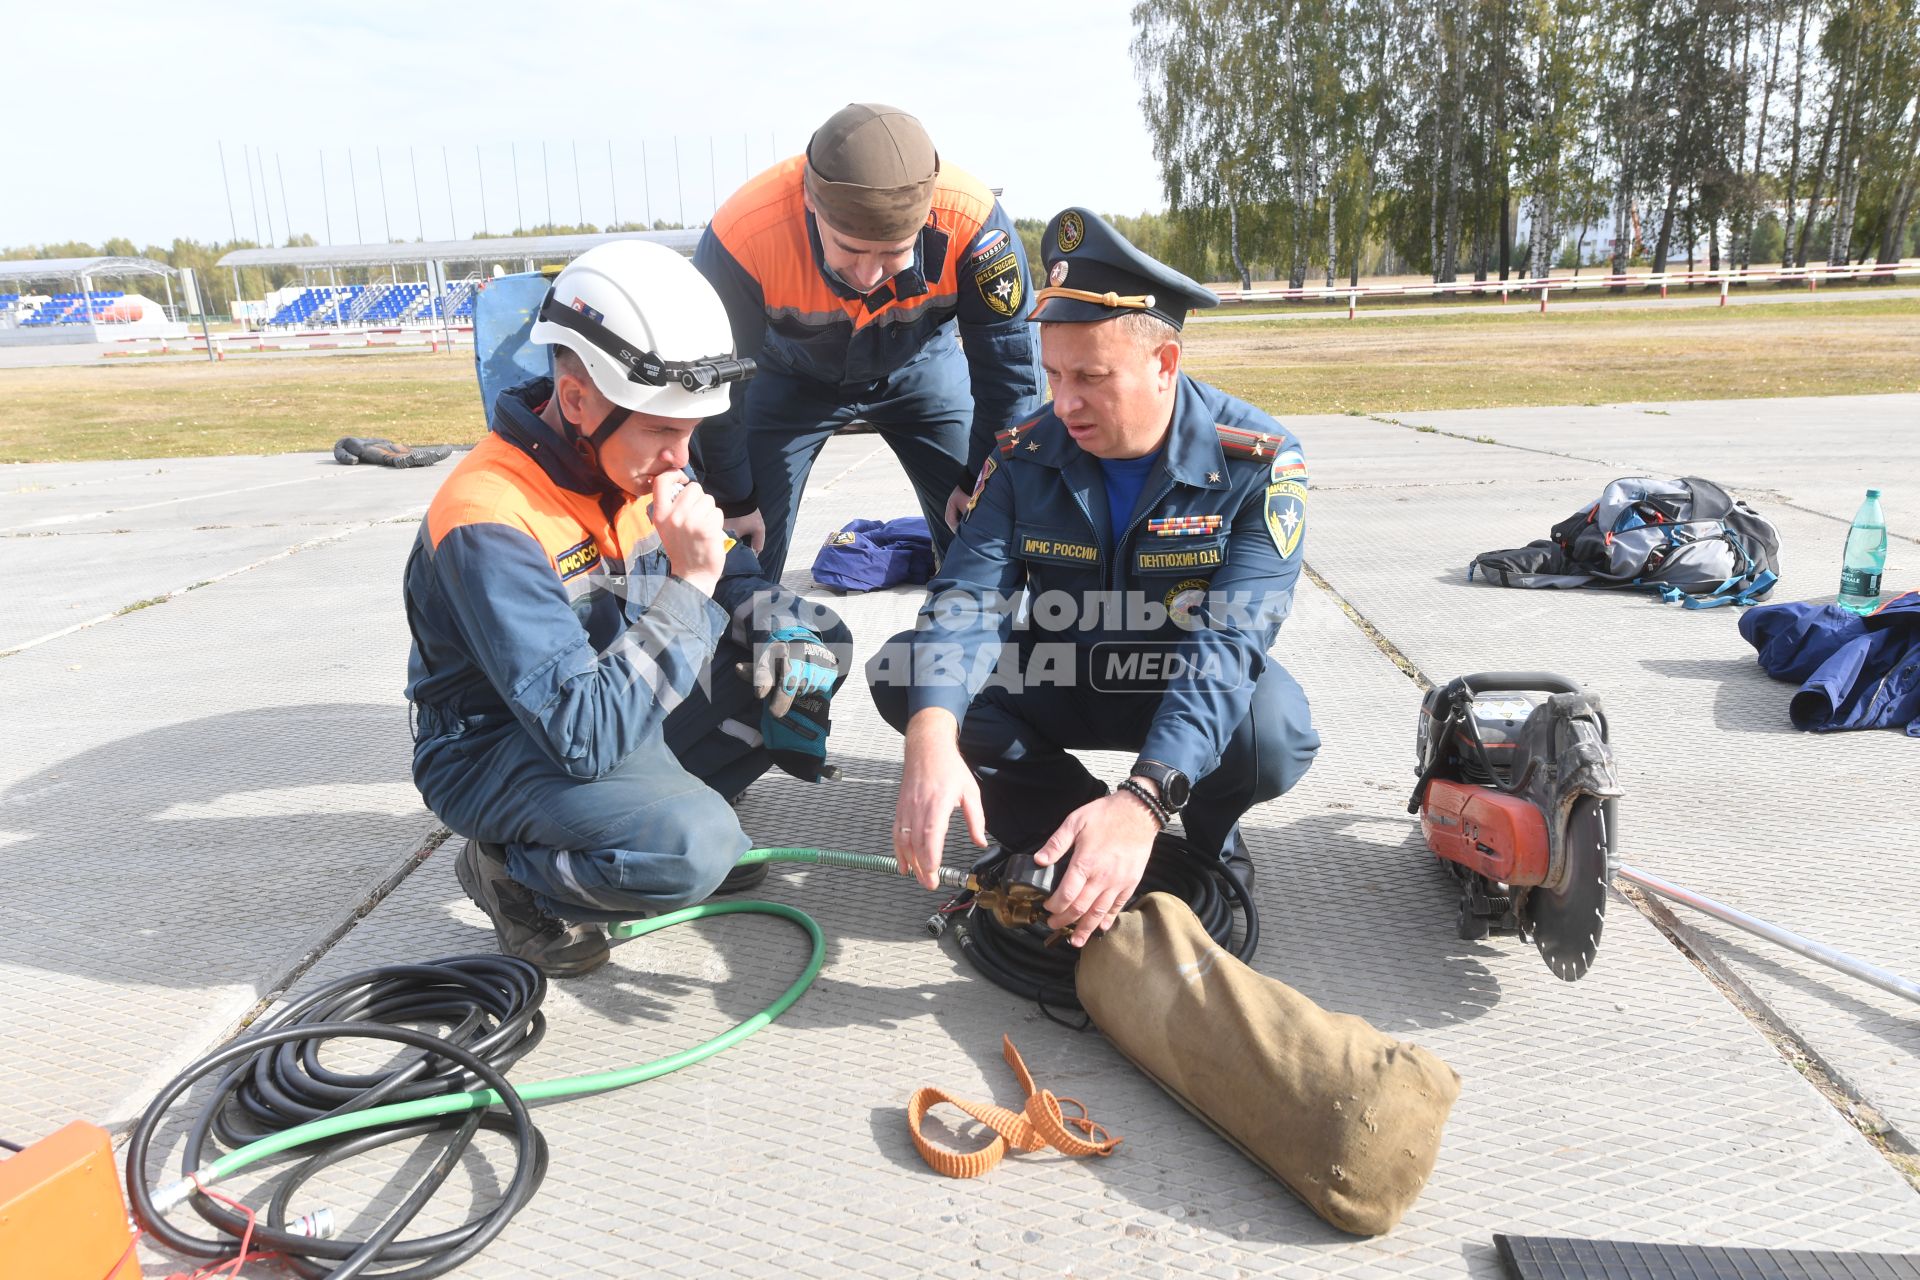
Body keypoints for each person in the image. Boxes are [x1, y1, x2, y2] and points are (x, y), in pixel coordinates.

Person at [868, 209, 1321, 948]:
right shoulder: (1024, 453)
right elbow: (968, 600)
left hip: (1175, 678)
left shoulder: (1257, 463)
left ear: (1164, 364)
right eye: (1053, 375)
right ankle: (1070, 826)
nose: (1063, 401)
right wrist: (930, 733)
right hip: (1064, 674)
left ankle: (1198, 833)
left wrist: (1145, 798)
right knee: (908, 674)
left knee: (1272, 731)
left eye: (1090, 377)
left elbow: (1231, 641)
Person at [404, 241, 851, 977]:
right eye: (666, 432)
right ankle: (515, 876)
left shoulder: (623, 458)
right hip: (495, 748)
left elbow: (729, 577)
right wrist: (692, 584)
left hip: (609, 700)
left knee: (813, 639)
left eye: (692, 433)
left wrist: (771, 612)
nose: (683, 459)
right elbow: (581, 733)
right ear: (577, 400)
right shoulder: (491, 519)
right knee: (692, 848)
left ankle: (656, 815)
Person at [691, 102, 1045, 580]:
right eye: (851, 250)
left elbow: (1010, 375)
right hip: (791, 378)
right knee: (740, 546)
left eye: (895, 253)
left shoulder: (973, 221)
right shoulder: (745, 233)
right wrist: (733, 495)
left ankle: (968, 647)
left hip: (919, 367)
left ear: (926, 220)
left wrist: (981, 478)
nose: (869, 275)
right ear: (810, 203)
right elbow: (717, 389)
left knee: (985, 530)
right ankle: (746, 645)